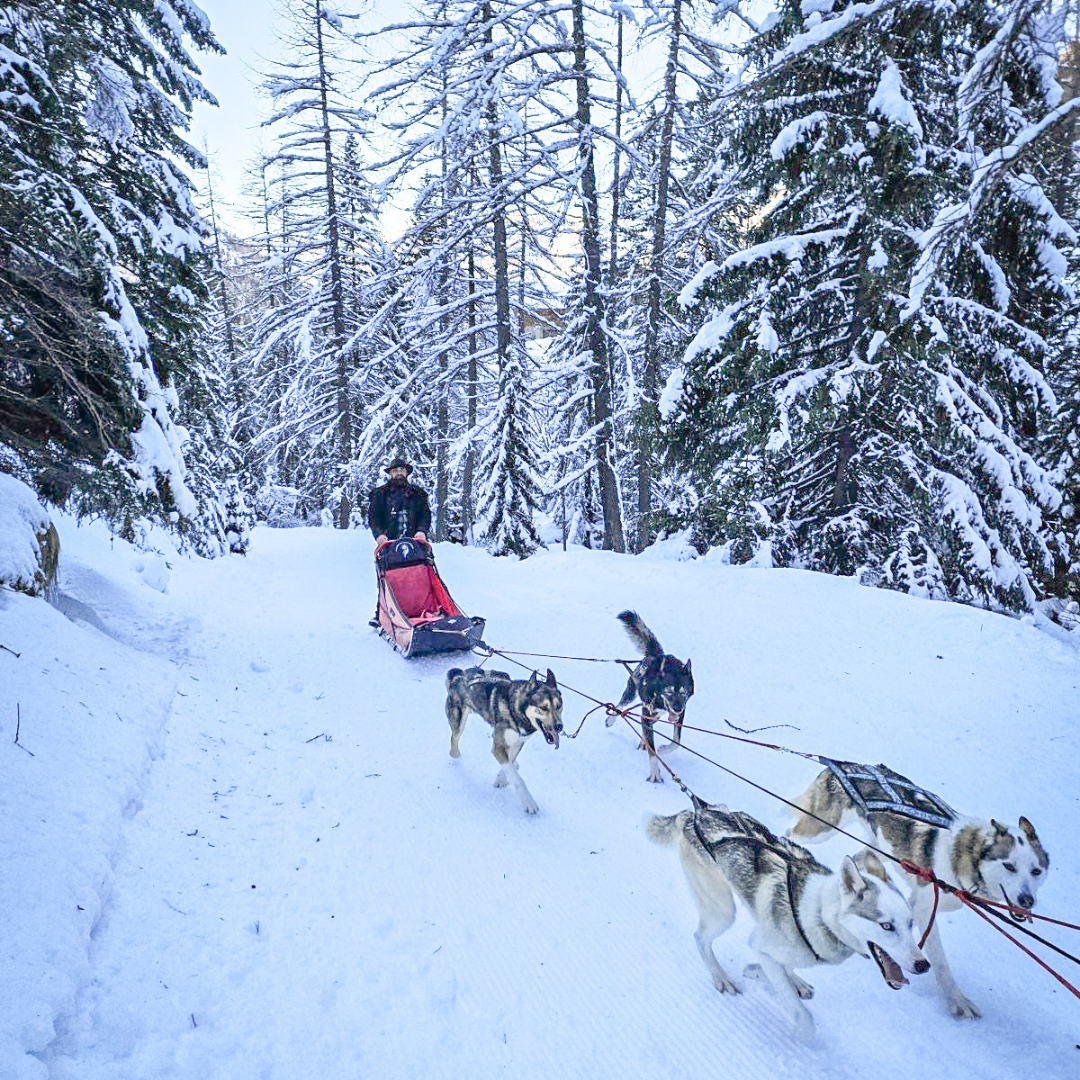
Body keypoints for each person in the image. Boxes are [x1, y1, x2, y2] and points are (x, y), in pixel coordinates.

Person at [367, 457, 431, 625]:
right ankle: (382, 613)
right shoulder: (380, 494)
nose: (399, 473)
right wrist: (380, 536)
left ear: (407, 473)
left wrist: (422, 532)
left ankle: (421, 609)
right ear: (390, 473)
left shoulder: (418, 494)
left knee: (419, 576)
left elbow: (425, 515)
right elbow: (374, 518)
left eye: (402, 470)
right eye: (395, 470)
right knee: (387, 577)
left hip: (415, 543)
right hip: (389, 542)